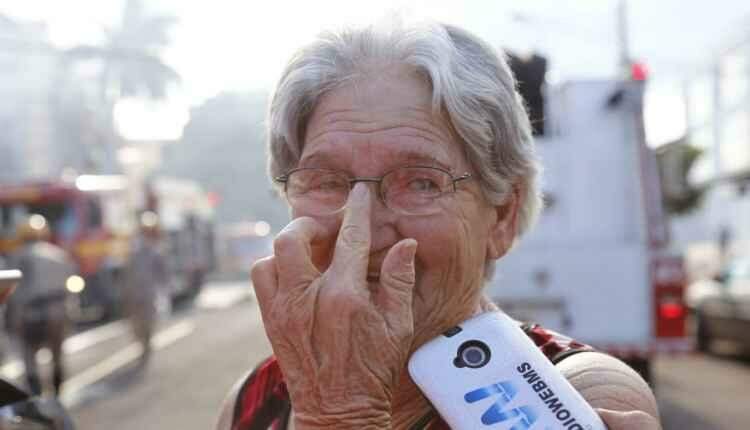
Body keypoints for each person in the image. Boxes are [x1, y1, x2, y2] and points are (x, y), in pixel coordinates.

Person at [216, 20, 661, 430]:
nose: (363, 228)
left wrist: (340, 415)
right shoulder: (254, 400)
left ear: (502, 216)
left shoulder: (569, 391)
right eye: (327, 181)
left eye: (421, 182)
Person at [7, 215, 74, 396]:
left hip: (30, 312)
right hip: (57, 309)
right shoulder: (57, 254)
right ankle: (58, 394)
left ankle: (36, 398)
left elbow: (13, 292)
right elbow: (70, 284)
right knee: (57, 355)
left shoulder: (16, 256)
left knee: (29, 357)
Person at [124, 211, 168, 364]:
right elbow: (127, 271)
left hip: (149, 292)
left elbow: (162, 272)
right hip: (135, 291)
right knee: (137, 323)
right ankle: (142, 342)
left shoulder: (156, 251)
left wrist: (163, 289)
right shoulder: (133, 249)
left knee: (148, 321)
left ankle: (146, 344)